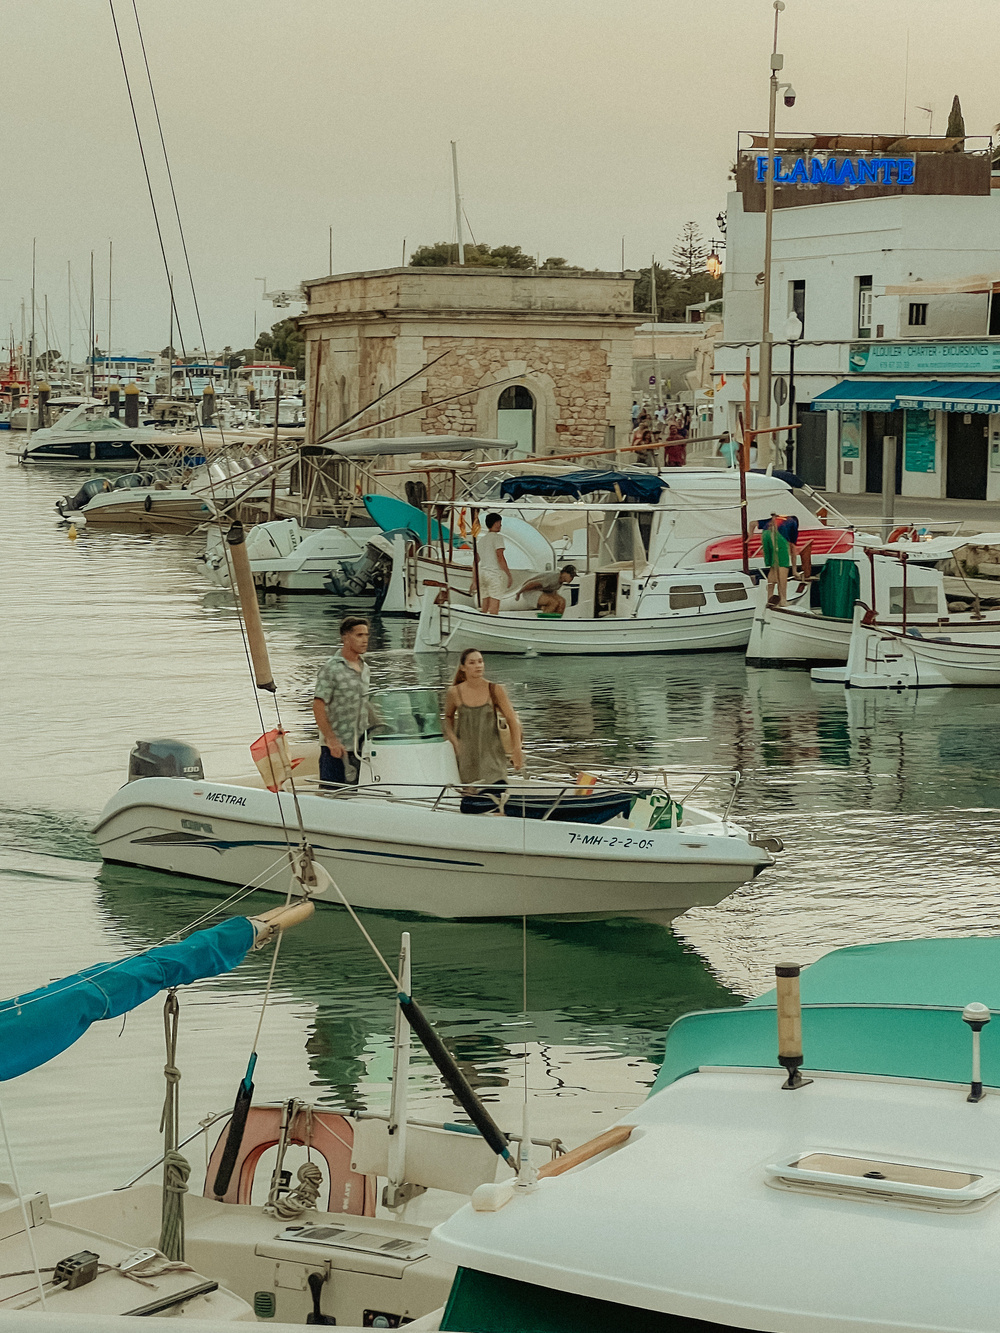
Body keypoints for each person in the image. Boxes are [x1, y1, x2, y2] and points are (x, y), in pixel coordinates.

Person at [443, 648, 524, 792]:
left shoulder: (495, 689)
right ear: (463, 667)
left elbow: (512, 720)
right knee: (471, 797)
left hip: (492, 755)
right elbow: (448, 717)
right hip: (467, 756)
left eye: (480, 661)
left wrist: (517, 750)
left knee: (497, 792)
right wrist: (453, 740)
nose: (478, 666)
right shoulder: (454, 692)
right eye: (472, 663)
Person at [313, 616, 377, 785]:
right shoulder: (331, 669)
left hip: (360, 745)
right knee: (332, 792)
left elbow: (364, 703)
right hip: (336, 746)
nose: (365, 640)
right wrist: (331, 739)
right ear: (345, 637)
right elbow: (318, 705)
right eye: (359, 635)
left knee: (358, 792)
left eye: (366, 635)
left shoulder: (365, 668)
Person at [476, 512, 512, 615]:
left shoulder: (482, 540)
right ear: (496, 523)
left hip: (482, 573)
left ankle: (482, 623)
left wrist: (474, 580)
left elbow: (476, 560)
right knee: (494, 604)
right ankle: (493, 622)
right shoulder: (497, 538)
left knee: (485, 604)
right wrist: (508, 574)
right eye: (500, 523)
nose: (500, 525)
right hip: (493, 574)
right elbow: (500, 556)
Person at [760, 513, 796, 605]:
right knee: (783, 568)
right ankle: (783, 599)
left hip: (765, 533)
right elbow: (793, 549)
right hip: (778, 535)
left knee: (773, 567)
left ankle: (770, 597)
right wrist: (795, 571)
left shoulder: (781, 519)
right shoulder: (793, 524)